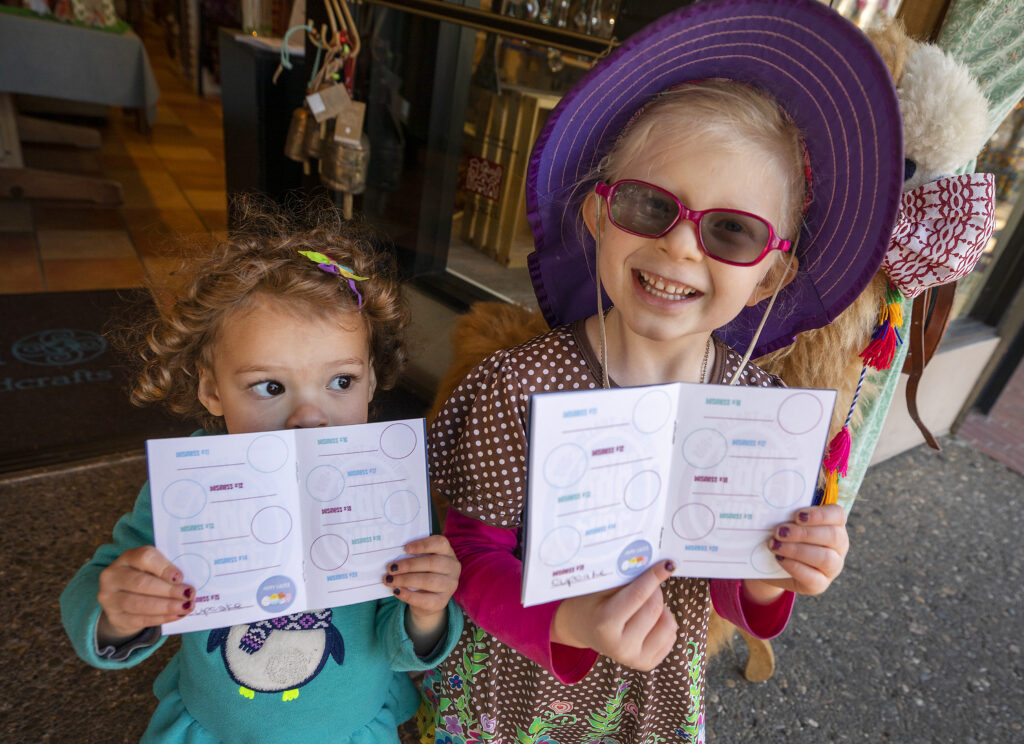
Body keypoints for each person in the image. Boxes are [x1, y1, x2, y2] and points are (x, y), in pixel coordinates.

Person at [421, 1, 904, 742]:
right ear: (597, 216)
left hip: (650, 703)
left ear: (771, 276)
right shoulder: (516, 386)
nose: (682, 248)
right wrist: (570, 621)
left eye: (731, 230)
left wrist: (781, 572)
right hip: (515, 693)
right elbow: (472, 555)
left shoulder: (761, 414)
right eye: (651, 205)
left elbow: (743, 589)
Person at [60, 203, 463, 743]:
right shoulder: (190, 486)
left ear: (371, 382)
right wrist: (121, 611)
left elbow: (399, 642)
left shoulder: (386, 486)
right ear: (211, 389)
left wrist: (428, 608)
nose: (309, 417)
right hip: (217, 729)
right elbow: (100, 582)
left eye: (340, 382)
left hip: (350, 728)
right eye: (270, 386)